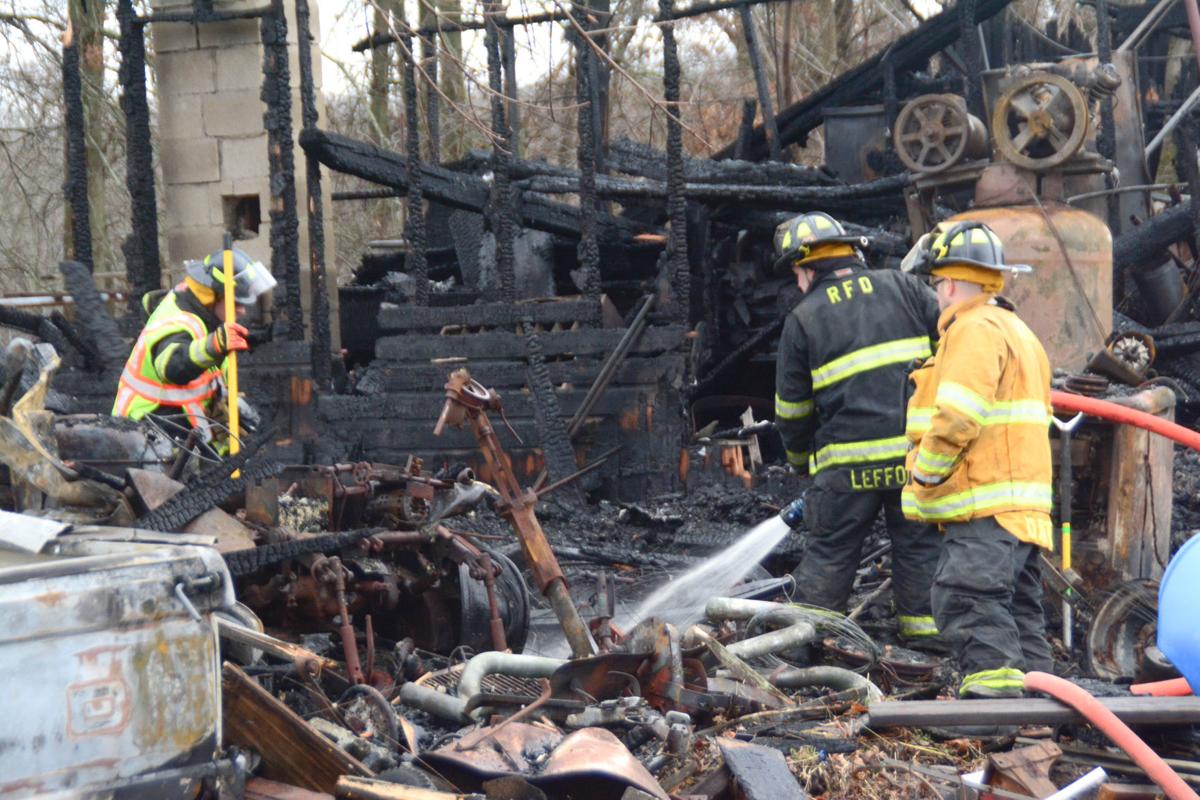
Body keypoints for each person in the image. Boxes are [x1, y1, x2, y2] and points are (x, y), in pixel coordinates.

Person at [773, 211, 944, 644]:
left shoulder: (803, 317)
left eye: (797, 273)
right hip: (915, 460)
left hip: (846, 470)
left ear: (809, 267)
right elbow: (955, 348)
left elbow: (792, 411)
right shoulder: (906, 287)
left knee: (829, 555)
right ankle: (927, 646)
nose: (797, 284)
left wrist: (799, 464)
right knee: (921, 547)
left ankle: (800, 648)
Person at [901, 220, 1054, 699]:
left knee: (965, 597)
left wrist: (924, 476)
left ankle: (996, 711)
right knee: (1019, 612)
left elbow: (959, 416)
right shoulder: (1016, 329)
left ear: (948, 283)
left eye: (937, 287)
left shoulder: (974, 329)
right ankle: (1043, 713)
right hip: (1020, 512)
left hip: (986, 507)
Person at [113, 247, 276, 445]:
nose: (242, 310)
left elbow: (204, 383)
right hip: (146, 434)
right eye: (235, 302)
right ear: (212, 295)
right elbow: (171, 366)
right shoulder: (178, 321)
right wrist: (212, 347)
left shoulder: (207, 319)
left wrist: (228, 404)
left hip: (178, 430)